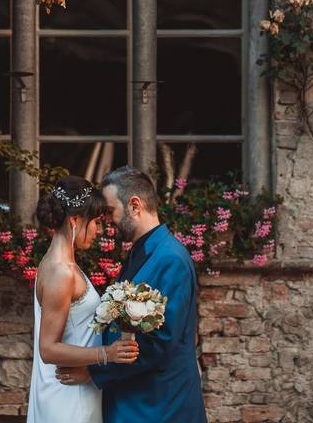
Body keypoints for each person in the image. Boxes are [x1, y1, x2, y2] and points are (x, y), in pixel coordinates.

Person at [55, 166, 207, 423]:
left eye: (111, 211)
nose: (106, 221)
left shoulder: (170, 258)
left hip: (160, 405)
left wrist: (95, 372)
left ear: (135, 205)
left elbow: (161, 342)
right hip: (135, 400)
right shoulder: (142, 251)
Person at [26, 175, 140, 423]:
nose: (99, 231)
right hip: (67, 397)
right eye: (96, 222)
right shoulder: (61, 272)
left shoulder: (62, 263)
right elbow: (48, 348)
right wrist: (107, 354)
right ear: (75, 219)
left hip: (75, 390)